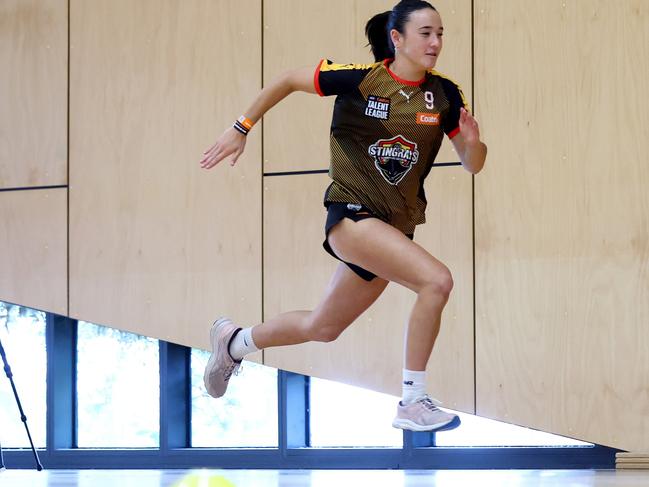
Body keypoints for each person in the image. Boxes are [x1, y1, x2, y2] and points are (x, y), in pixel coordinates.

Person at [199, 0, 486, 432]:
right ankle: (412, 400)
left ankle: (234, 343)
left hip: (393, 228)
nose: (435, 42)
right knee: (437, 281)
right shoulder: (362, 79)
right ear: (398, 38)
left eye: (440, 33)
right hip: (352, 215)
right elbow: (289, 80)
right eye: (426, 32)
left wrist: (472, 142)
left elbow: (472, 164)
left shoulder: (444, 95)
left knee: (323, 326)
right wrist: (241, 128)